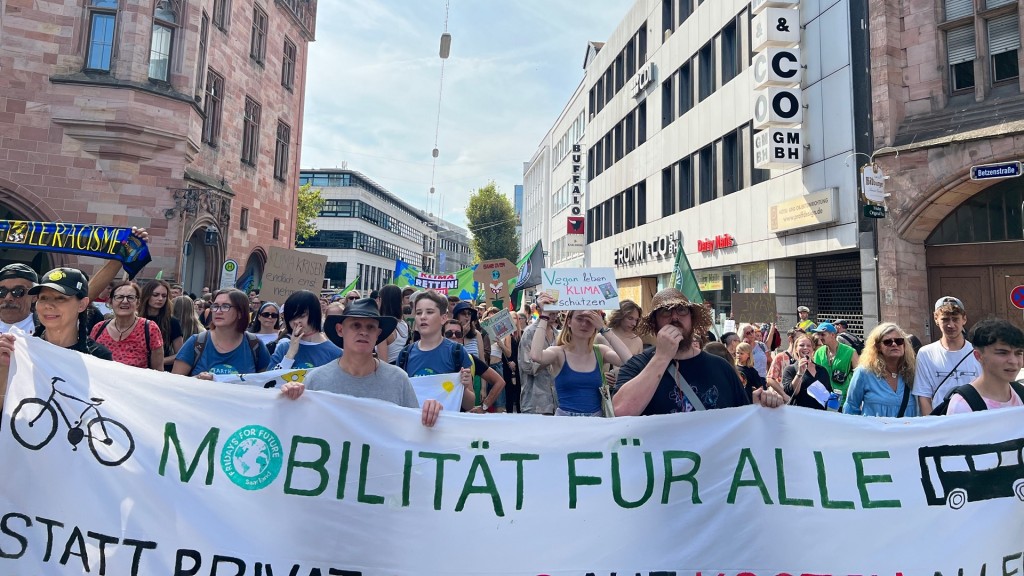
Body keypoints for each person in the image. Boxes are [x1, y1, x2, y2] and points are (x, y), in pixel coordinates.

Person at [613, 288, 784, 416]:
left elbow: (741, 419)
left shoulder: (721, 368)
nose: (674, 317)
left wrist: (764, 404)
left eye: (682, 310)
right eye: (665, 312)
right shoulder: (637, 367)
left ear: (692, 320)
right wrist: (662, 357)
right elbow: (620, 412)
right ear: (655, 324)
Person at [280, 297, 442, 428]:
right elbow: (298, 429)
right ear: (340, 330)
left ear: (378, 334)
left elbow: (415, 432)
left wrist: (432, 414)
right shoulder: (316, 379)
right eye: (355, 325)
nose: (363, 332)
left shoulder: (398, 380)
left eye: (370, 327)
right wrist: (288, 400)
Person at [0, 268, 113, 401]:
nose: (49, 305)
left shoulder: (98, 357)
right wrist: (3, 368)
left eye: (60, 298)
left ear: (82, 304)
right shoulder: (20, 350)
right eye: (43, 298)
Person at [530, 293, 632, 417]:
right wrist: (544, 315)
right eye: (579, 319)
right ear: (569, 322)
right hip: (565, 423)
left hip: (595, 424)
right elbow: (535, 356)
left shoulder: (601, 351)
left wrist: (603, 328)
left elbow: (629, 361)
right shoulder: (558, 353)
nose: (584, 324)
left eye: (590, 320)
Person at [396, 290, 474, 410]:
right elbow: (398, 400)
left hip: (446, 427)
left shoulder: (457, 352)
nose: (423, 317)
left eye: (429, 312)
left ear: (443, 318)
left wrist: (463, 386)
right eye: (418, 312)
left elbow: (469, 405)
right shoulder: (405, 355)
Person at [172, 288, 271, 379]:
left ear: (240, 312)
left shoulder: (255, 345)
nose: (218, 311)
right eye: (215, 306)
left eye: (225, 306)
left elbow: (265, 385)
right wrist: (197, 379)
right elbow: (174, 384)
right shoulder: (196, 342)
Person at [913, 296, 982, 415]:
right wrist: (932, 426)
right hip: (940, 421)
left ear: (964, 319)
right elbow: (923, 396)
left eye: (955, 319)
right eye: (945, 319)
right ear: (936, 319)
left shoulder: (977, 352)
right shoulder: (926, 353)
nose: (951, 325)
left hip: (973, 420)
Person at [941, 318, 1024, 414]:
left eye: (1018, 353)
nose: (1013, 361)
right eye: (1003, 353)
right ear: (979, 356)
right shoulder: (962, 405)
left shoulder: (1021, 394)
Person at [843, 323, 918, 417]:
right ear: (878, 347)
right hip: (874, 431)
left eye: (899, 341)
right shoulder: (864, 372)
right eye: (888, 342)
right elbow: (851, 407)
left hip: (908, 430)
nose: (894, 344)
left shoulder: (914, 372)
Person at [90, 281, 164, 370]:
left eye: (130, 297)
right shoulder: (98, 328)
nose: (125, 301)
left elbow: (158, 371)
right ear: (110, 302)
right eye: (119, 297)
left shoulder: (150, 329)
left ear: (138, 302)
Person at [444, 319, 505, 413]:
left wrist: (484, 407)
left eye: (458, 334)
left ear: (462, 339)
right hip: (441, 418)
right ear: (442, 336)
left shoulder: (470, 359)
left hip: (465, 419)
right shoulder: (433, 358)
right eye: (449, 334)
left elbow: (499, 382)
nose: (453, 336)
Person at [270, 290, 341, 370]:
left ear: (315, 314)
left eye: (302, 316)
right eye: (291, 317)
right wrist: (289, 355)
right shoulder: (283, 348)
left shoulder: (335, 352)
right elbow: (268, 379)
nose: (296, 321)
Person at [518, 305, 559, 415]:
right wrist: (550, 358)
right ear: (540, 311)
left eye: (556, 312)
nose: (555, 316)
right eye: (551, 313)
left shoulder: (558, 334)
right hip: (534, 402)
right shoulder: (529, 333)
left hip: (557, 402)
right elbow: (527, 366)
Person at [140, 279, 183, 371]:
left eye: (164, 296)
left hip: (159, 371)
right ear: (146, 295)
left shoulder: (172, 322)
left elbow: (180, 354)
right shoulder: (135, 318)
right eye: (155, 295)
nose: (160, 299)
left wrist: (160, 361)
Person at [811, 322, 859, 406]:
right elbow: (815, 375)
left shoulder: (850, 352)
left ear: (833, 335)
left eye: (823, 334)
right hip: (823, 400)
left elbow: (859, 376)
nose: (820, 337)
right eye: (818, 334)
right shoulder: (819, 352)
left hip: (844, 401)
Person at [781, 334, 831, 410]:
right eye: (801, 345)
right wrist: (799, 373)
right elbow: (791, 393)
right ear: (796, 349)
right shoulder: (790, 369)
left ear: (813, 349)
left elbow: (828, 392)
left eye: (808, 345)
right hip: (801, 414)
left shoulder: (822, 370)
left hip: (820, 415)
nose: (805, 348)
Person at [0, 263, 38, 334]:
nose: (8, 298)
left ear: (34, 297)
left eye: (18, 291)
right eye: (2, 291)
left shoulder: (46, 330)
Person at [375, 284, 408, 364]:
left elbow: (383, 364)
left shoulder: (383, 329)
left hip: (390, 371)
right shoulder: (404, 324)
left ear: (381, 300)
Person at [767, 328, 802, 395]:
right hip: (783, 398)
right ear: (790, 339)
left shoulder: (803, 358)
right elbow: (770, 379)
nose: (801, 341)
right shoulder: (781, 357)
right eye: (798, 338)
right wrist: (783, 394)